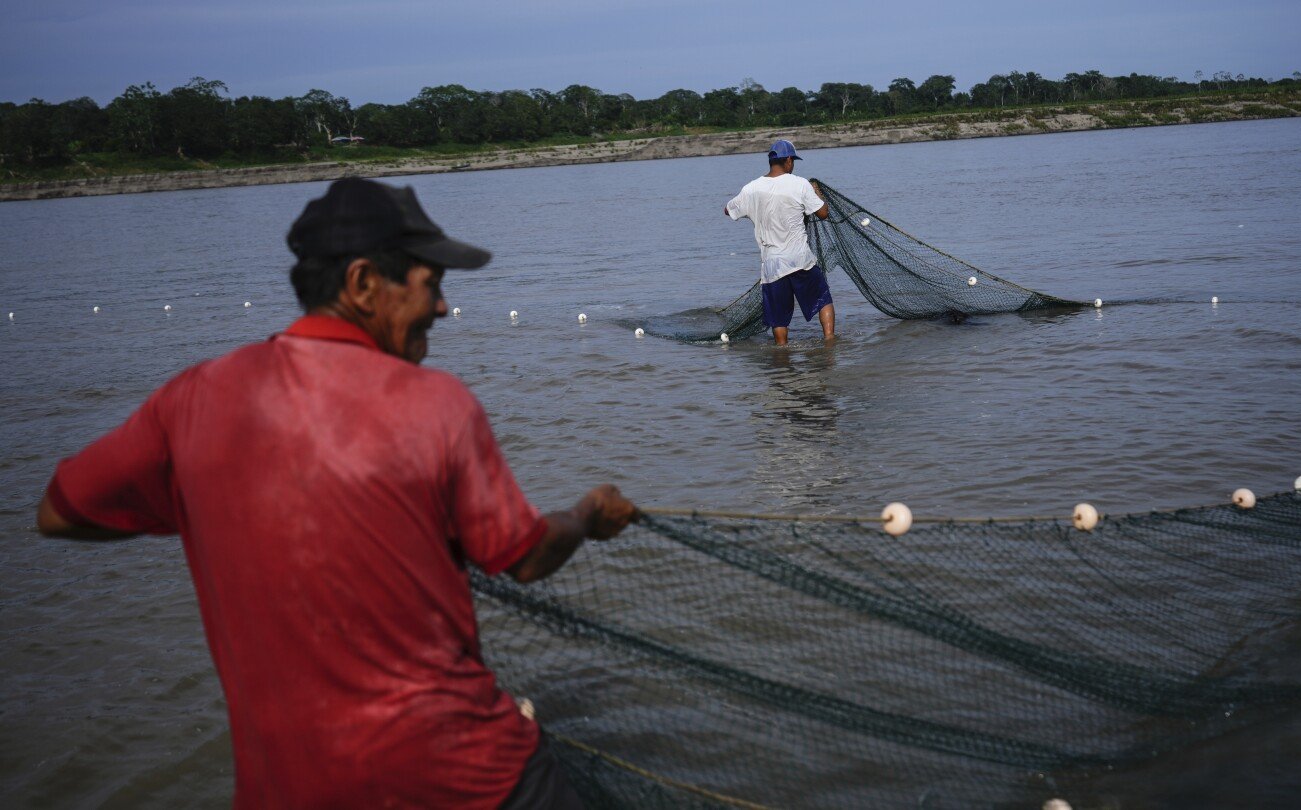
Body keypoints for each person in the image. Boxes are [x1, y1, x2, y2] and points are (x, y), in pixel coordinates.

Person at [35, 177, 635, 808]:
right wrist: (587, 512)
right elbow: (525, 555)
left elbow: (58, 512)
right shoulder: (434, 404)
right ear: (362, 284)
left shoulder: (192, 399)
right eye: (431, 284)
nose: (442, 308)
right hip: (461, 777)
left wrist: (200, 506)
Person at [723, 139, 835, 346]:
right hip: (800, 260)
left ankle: (782, 355)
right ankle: (829, 342)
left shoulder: (751, 188)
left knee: (779, 318)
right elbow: (823, 213)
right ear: (789, 161)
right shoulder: (800, 184)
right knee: (823, 300)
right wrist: (817, 191)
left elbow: (728, 210)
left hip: (773, 266)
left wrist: (754, 210)